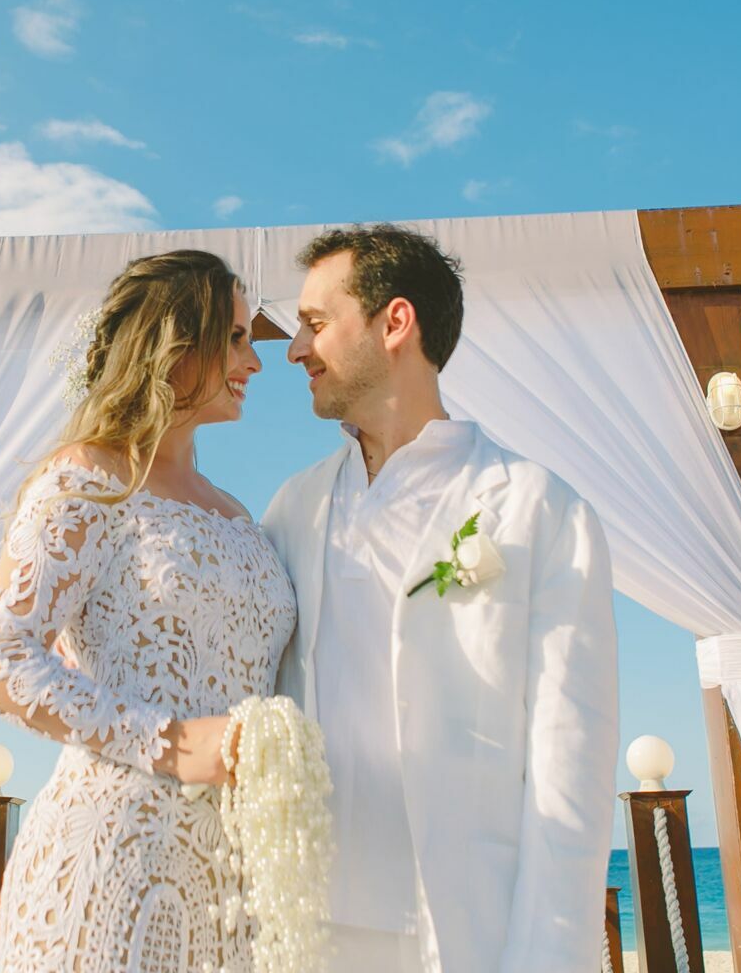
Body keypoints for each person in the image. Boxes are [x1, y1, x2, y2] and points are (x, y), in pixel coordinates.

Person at [262, 224, 619, 973]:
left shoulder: (537, 510)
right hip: (303, 926)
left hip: (467, 929)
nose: (294, 348)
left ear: (395, 322)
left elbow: (571, 767)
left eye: (316, 324)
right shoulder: (291, 510)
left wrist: (550, 957)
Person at [0, 249, 297, 973]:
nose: (256, 362)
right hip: (110, 856)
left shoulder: (237, 513)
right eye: (237, 338)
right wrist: (170, 741)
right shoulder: (89, 477)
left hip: (232, 884)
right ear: (176, 345)